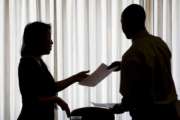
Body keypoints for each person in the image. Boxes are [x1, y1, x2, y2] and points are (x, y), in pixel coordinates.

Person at [108, 4, 178, 120]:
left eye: (122, 22)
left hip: (148, 114)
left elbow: (131, 96)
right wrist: (123, 65)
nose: (122, 27)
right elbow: (155, 68)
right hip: (170, 112)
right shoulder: (159, 43)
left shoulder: (131, 55)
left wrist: (117, 108)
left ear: (128, 23)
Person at [17, 21, 89, 120]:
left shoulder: (38, 62)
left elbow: (52, 87)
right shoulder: (27, 64)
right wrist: (56, 99)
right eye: (48, 38)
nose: (51, 42)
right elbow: (30, 100)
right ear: (37, 40)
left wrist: (75, 78)